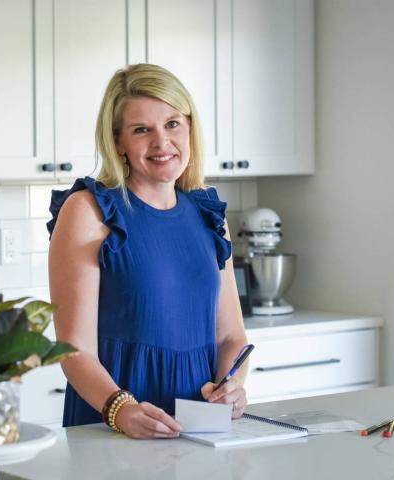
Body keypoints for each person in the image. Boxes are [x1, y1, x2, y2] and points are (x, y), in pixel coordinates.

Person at [47, 63, 249, 439]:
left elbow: (230, 337)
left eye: (173, 123)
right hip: (112, 424)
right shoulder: (89, 211)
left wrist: (231, 388)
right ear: (118, 141)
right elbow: (73, 349)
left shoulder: (209, 216)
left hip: (200, 430)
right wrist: (120, 410)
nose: (162, 142)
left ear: (190, 128)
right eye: (142, 130)